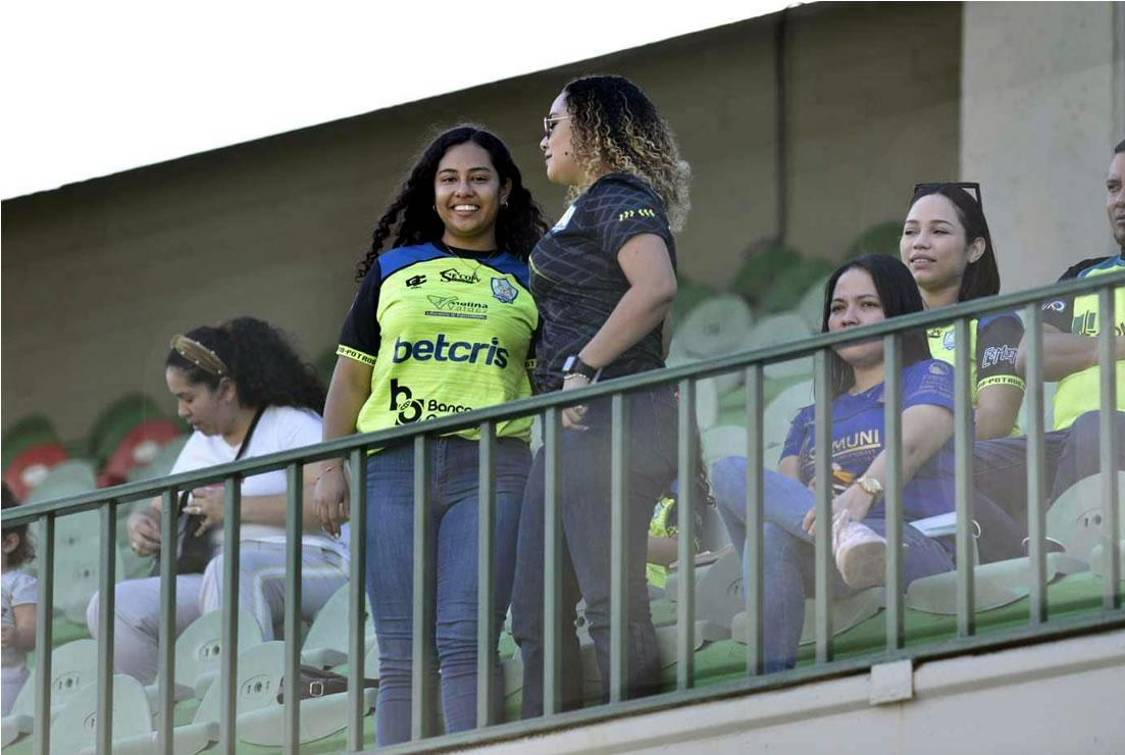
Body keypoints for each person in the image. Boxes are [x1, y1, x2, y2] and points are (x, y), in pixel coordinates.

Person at [313, 125, 546, 742]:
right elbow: (351, 376)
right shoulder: (394, 269)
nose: (462, 191)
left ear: (505, 190)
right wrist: (328, 466)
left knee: (466, 640)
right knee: (401, 654)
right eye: (449, 179)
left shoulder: (531, 277)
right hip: (392, 468)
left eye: (478, 178)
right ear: (432, 190)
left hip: (493, 469)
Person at [511, 74, 690, 715]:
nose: (544, 138)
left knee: (613, 603)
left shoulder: (619, 195)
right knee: (534, 616)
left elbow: (655, 287)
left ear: (591, 130)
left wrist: (582, 368)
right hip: (570, 430)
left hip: (616, 418)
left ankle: (639, 734)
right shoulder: (583, 207)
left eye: (553, 124)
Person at [712, 255, 958, 672]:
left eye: (867, 305)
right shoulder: (809, 419)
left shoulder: (929, 375)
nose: (848, 318)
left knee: (775, 527)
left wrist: (862, 493)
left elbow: (913, 444)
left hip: (914, 543)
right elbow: (785, 505)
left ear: (897, 311)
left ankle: (847, 533)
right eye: (838, 309)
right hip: (833, 559)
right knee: (731, 479)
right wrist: (831, 518)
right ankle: (774, 684)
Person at [976, 133, 1125, 521]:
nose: (1122, 198)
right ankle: (1035, 554)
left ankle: (1063, 549)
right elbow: (1030, 357)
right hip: (1068, 444)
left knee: (1099, 426)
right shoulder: (1083, 275)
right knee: (961, 467)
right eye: (1113, 187)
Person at [85, 317, 345, 684]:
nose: (181, 411)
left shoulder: (291, 424)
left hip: (320, 565)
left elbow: (334, 509)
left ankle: (249, 697)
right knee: (113, 606)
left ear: (225, 389)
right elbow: (161, 508)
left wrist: (235, 508)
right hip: (223, 578)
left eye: (188, 398)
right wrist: (142, 522)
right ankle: (167, 718)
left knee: (231, 570)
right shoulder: (199, 445)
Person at [903, 183, 1025, 439]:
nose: (920, 243)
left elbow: (993, 423)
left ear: (974, 249)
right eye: (911, 232)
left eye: (938, 231)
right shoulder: (893, 330)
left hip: (980, 470)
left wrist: (908, 445)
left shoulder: (997, 322)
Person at [2, 484, 37, 715]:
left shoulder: (18, 583)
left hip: (7, 682)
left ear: (8, 543)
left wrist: (16, 636)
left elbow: (33, 635)